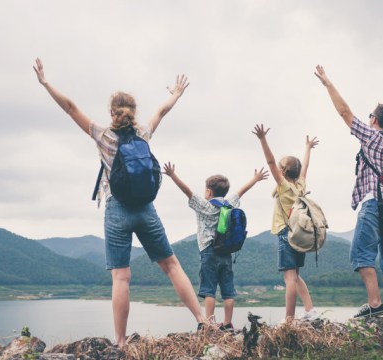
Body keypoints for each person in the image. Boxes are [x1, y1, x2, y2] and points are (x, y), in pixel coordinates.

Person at [33, 58, 206, 347]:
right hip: (146, 209)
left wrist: (45, 83)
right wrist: (176, 93)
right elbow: (162, 111)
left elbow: (70, 108)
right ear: (133, 112)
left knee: (121, 277)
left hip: (117, 209)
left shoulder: (104, 137)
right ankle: (202, 320)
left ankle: (121, 341)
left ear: (112, 113)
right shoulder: (143, 133)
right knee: (172, 265)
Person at [314, 64, 383, 322]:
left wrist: (327, 83)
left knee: (361, 254)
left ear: (373, 119)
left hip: (375, 204)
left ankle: (375, 304)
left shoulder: (372, 137)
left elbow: (344, 111)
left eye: (370, 115)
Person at [162, 162, 269, 330]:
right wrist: (255, 179)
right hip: (226, 252)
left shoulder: (204, 205)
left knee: (209, 290)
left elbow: (187, 191)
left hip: (208, 253)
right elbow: (241, 191)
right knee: (228, 291)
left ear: (208, 191)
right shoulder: (229, 203)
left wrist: (173, 175)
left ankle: (209, 323)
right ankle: (227, 324)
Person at [252, 124, 320, 323]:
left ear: (282, 171)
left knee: (289, 278)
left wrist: (262, 139)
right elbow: (305, 167)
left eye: (279, 168)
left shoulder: (283, 186)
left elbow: (270, 161)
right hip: (299, 234)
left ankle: (288, 321)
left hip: (286, 233)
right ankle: (310, 310)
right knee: (296, 276)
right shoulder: (300, 185)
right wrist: (307, 148)